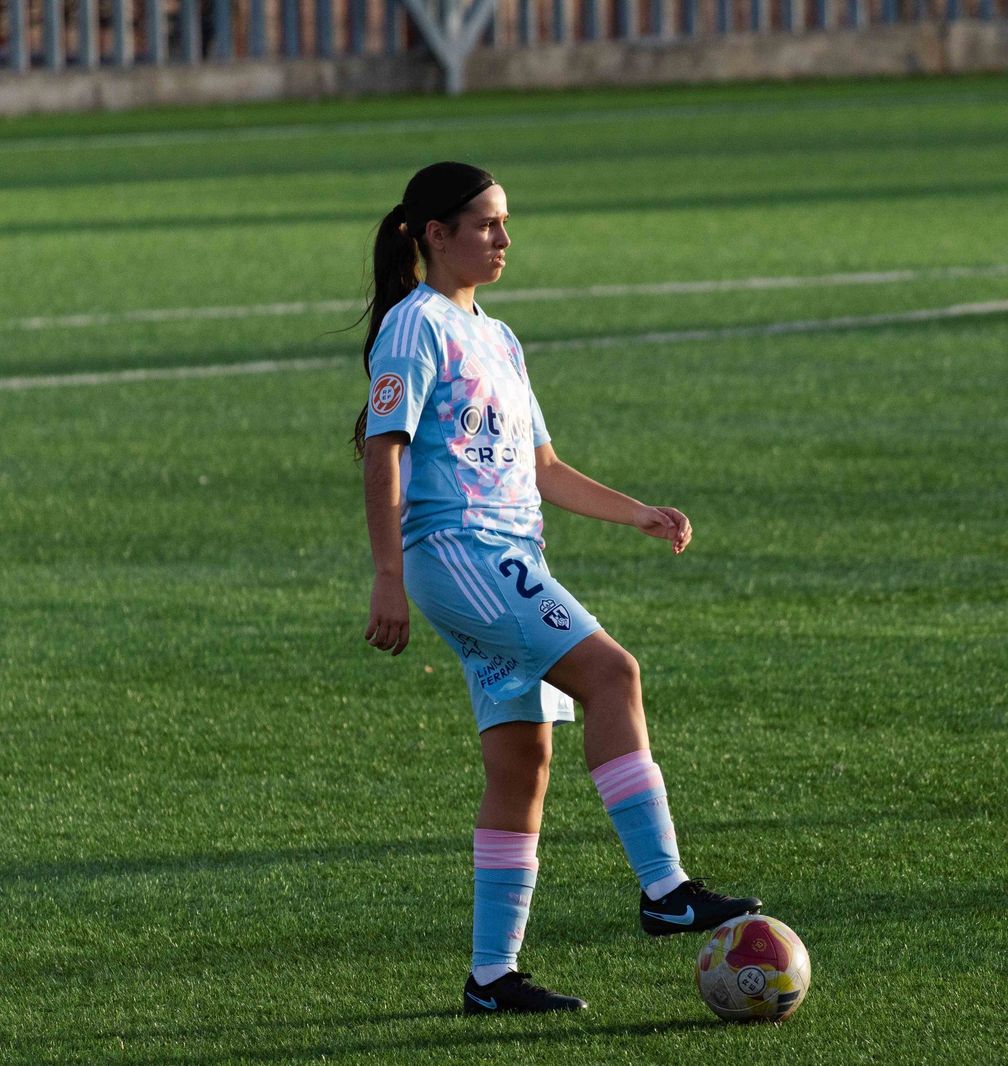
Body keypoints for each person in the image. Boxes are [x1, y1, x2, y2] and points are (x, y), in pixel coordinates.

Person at [356, 162, 760, 1016]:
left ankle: (492, 976)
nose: (504, 238)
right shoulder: (415, 326)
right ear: (436, 235)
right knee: (614, 672)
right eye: (486, 224)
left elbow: (544, 467)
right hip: (460, 551)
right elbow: (384, 448)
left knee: (522, 763)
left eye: (505, 222)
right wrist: (388, 575)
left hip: (509, 556)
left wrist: (637, 512)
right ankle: (666, 889)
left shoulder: (499, 337)